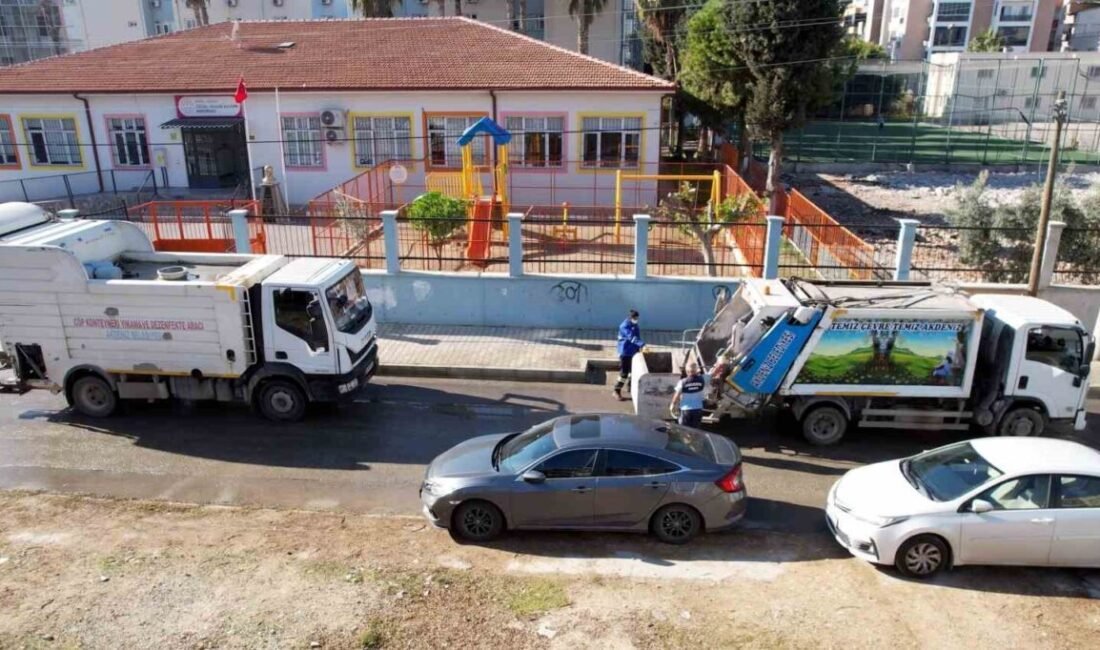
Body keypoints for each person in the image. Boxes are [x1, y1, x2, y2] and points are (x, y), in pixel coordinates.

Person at [613, 309, 645, 401]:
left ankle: (630, 388)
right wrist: (642, 345)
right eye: (635, 318)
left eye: (637, 318)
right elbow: (631, 338)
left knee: (633, 372)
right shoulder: (624, 326)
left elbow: (638, 336)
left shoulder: (635, 325)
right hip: (625, 352)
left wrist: (639, 348)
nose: (636, 320)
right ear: (630, 318)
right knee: (624, 374)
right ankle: (616, 390)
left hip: (633, 351)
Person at [671, 361, 708, 427]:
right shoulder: (703, 378)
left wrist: (672, 404)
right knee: (695, 430)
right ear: (696, 370)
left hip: (686, 410)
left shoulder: (682, 382)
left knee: (684, 430)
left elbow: (677, 394)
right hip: (698, 409)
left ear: (687, 371)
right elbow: (712, 374)